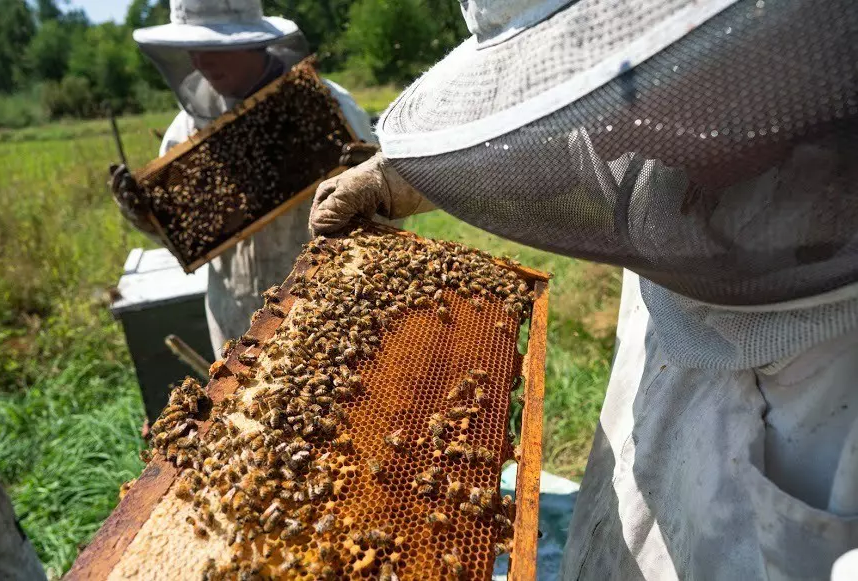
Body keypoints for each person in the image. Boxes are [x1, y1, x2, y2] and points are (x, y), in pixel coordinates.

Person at [309, 0, 858, 578]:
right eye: (598, 86)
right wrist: (406, 177)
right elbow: (566, 143)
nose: (614, 138)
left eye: (632, 79)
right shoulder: (676, 133)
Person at [111, 0, 376, 361]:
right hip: (233, 322)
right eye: (191, 47)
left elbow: (384, 224)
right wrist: (148, 218)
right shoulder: (185, 132)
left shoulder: (334, 108)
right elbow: (186, 240)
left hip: (326, 315)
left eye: (212, 46)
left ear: (254, 41)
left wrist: (372, 186)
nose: (200, 62)